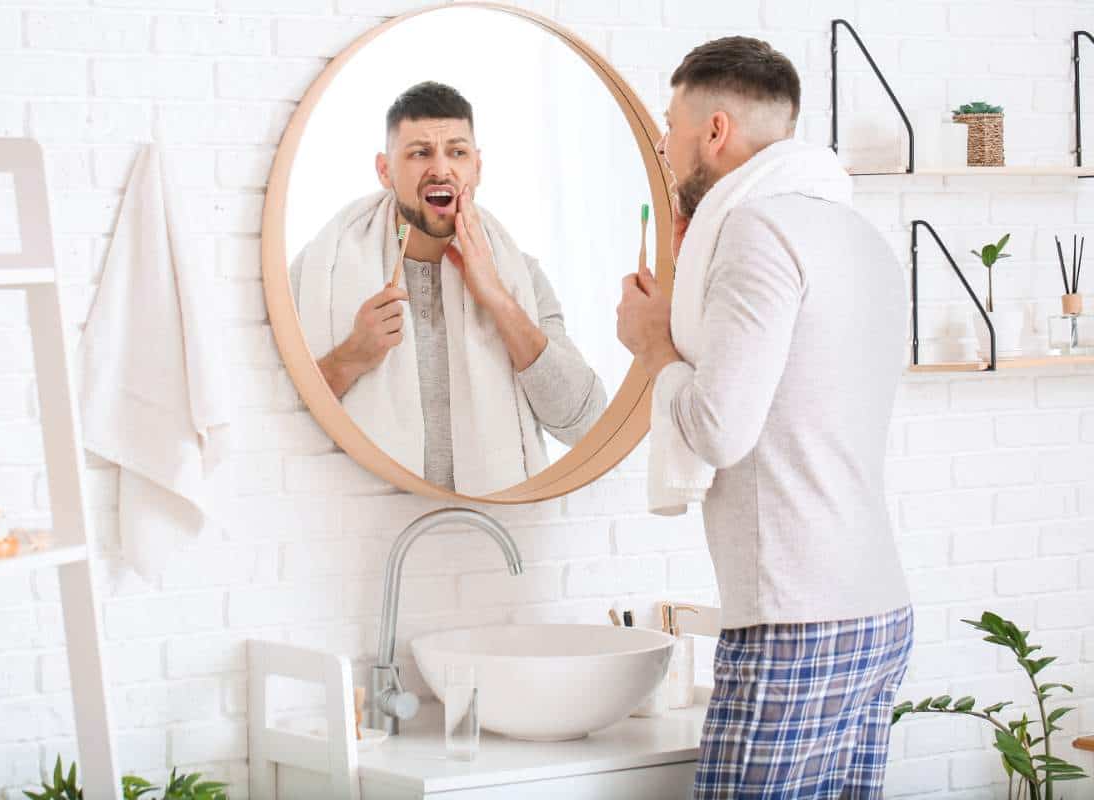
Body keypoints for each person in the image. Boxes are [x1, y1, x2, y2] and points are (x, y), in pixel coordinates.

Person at [617, 37, 912, 798]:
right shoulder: (858, 236)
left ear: (715, 131)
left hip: (793, 617)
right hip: (876, 610)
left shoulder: (757, 232)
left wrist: (656, 345)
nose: (664, 145)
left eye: (671, 126)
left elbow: (720, 427)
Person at [290, 81, 606, 494]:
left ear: (477, 167)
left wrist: (497, 299)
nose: (440, 169)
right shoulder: (321, 270)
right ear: (385, 170)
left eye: (456, 152)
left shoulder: (519, 276)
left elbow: (586, 424)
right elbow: (275, 427)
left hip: (494, 528)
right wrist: (350, 357)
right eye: (420, 153)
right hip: (363, 532)